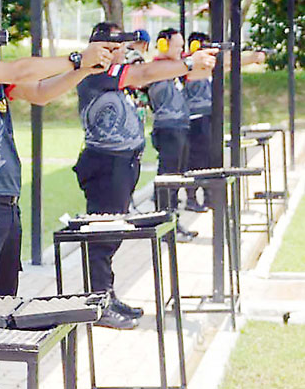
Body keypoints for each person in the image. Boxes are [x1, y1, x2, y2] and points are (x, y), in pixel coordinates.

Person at [0, 0, 115, 389]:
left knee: (0, 295)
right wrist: (75, 58)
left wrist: (84, 70)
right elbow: (19, 70)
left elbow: (39, 91)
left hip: (3, 199)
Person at [73, 22, 216, 330]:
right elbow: (145, 75)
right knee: (103, 236)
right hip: (105, 163)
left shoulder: (116, 71)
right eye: (119, 45)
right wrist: (189, 62)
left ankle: (106, 296)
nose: (126, 50)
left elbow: (144, 77)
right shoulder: (96, 71)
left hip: (121, 163)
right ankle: (98, 302)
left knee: (112, 234)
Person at [184, 32, 267, 211]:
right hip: (195, 118)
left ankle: (209, 196)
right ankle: (192, 197)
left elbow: (226, 65)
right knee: (196, 159)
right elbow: (226, 64)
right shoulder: (189, 66)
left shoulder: (208, 66)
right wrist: (251, 58)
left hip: (209, 116)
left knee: (211, 157)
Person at [147, 28, 198, 242]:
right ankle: (165, 224)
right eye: (177, 46)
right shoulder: (158, 68)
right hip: (168, 130)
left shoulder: (175, 69)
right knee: (168, 180)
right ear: (163, 45)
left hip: (179, 128)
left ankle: (173, 222)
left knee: (176, 180)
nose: (181, 50)